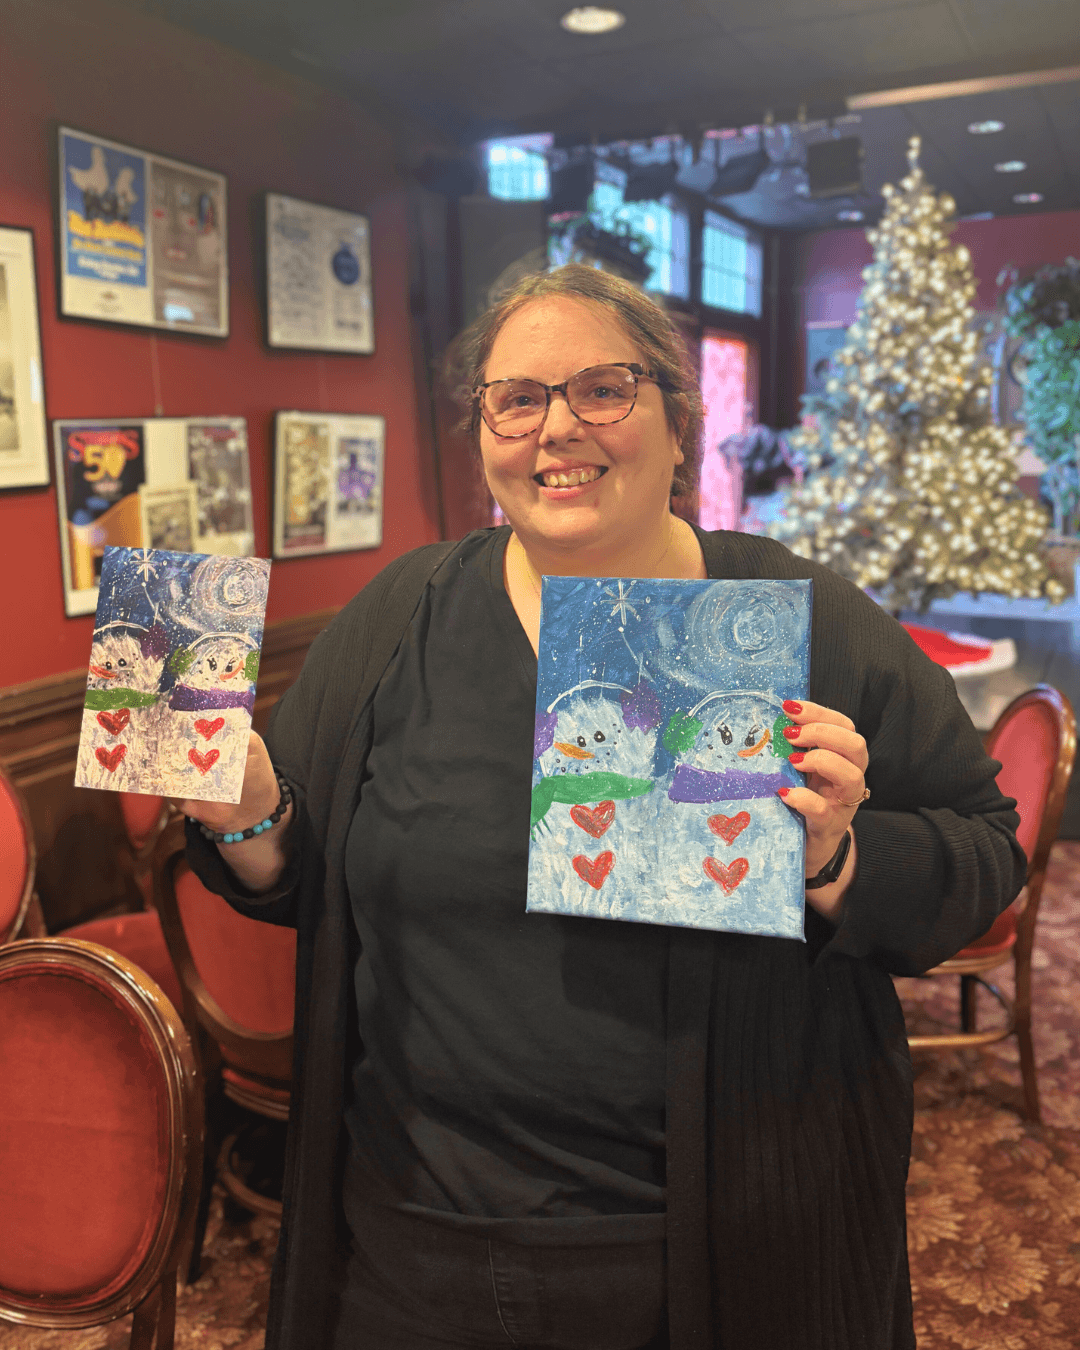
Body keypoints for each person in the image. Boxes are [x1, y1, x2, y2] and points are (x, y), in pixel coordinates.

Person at [182, 263, 1025, 1350]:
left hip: (714, 1252)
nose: (556, 430)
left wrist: (832, 859)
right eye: (517, 398)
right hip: (410, 1243)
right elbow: (295, 879)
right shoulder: (405, 613)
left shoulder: (797, 620)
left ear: (681, 425)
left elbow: (982, 856)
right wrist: (244, 815)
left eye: (603, 389)